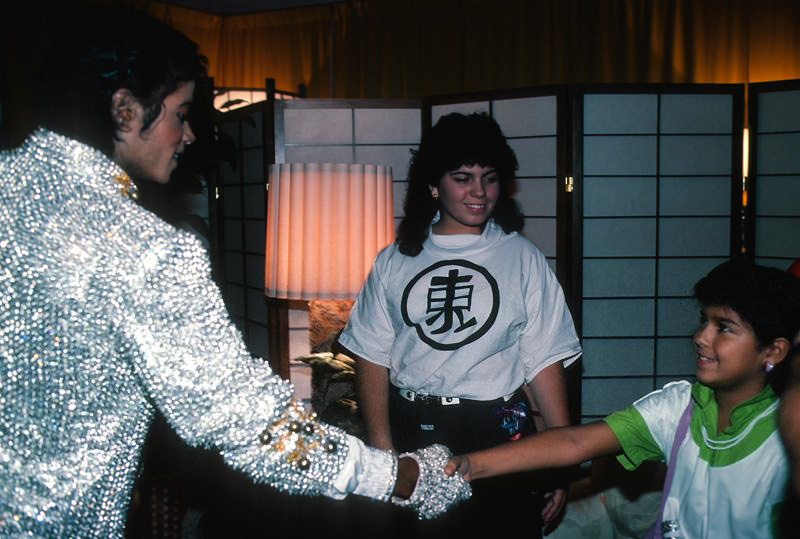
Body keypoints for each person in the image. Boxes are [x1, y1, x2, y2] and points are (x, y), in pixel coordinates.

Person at [0, 6, 469, 537]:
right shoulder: (140, 248)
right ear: (125, 110)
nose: (189, 135)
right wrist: (400, 477)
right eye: (181, 114)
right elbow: (245, 421)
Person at [338, 112, 581, 536]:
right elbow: (372, 355)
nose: (479, 192)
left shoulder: (521, 257)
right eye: (462, 178)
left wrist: (560, 456)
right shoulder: (396, 260)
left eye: (490, 178)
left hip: (498, 431)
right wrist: (383, 455)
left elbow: (544, 358)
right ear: (434, 184)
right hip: (413, 426)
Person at [446, 261, 800, 539]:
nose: (701, 337)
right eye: (703, 321)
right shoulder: (680, 407)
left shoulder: (787, 433)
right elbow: (574, 442)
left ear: (774, 351)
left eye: (723, 328)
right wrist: (470, 465)